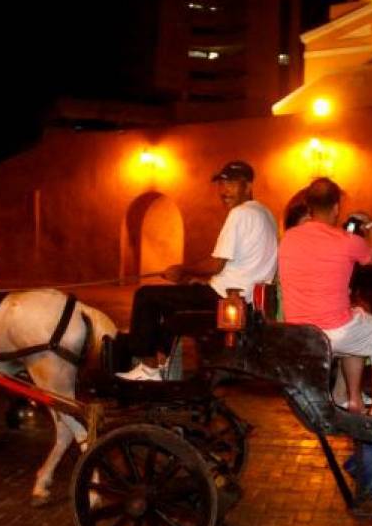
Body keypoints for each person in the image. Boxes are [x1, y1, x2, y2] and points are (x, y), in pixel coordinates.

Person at [118, 160, 278, 381]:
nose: (224, 191)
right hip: (247, 300)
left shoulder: (240, 214)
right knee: (172, 304)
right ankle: (164, 364)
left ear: (248, 186)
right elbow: (241, 265)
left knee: (145, 296)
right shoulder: (266, 214)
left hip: (225, 299)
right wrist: (202, 280)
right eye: (221, 184)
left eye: (232, 184)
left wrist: (182, 270)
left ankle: (147, 367)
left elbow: (216, 264)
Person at [278, 178, 372, 416]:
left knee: (358, 323)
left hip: (299, 333)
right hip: (333, 331)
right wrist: (370, 225)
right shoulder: (347, 241)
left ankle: (353, 400)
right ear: (336, 207)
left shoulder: (288, 239)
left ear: (309, 207)